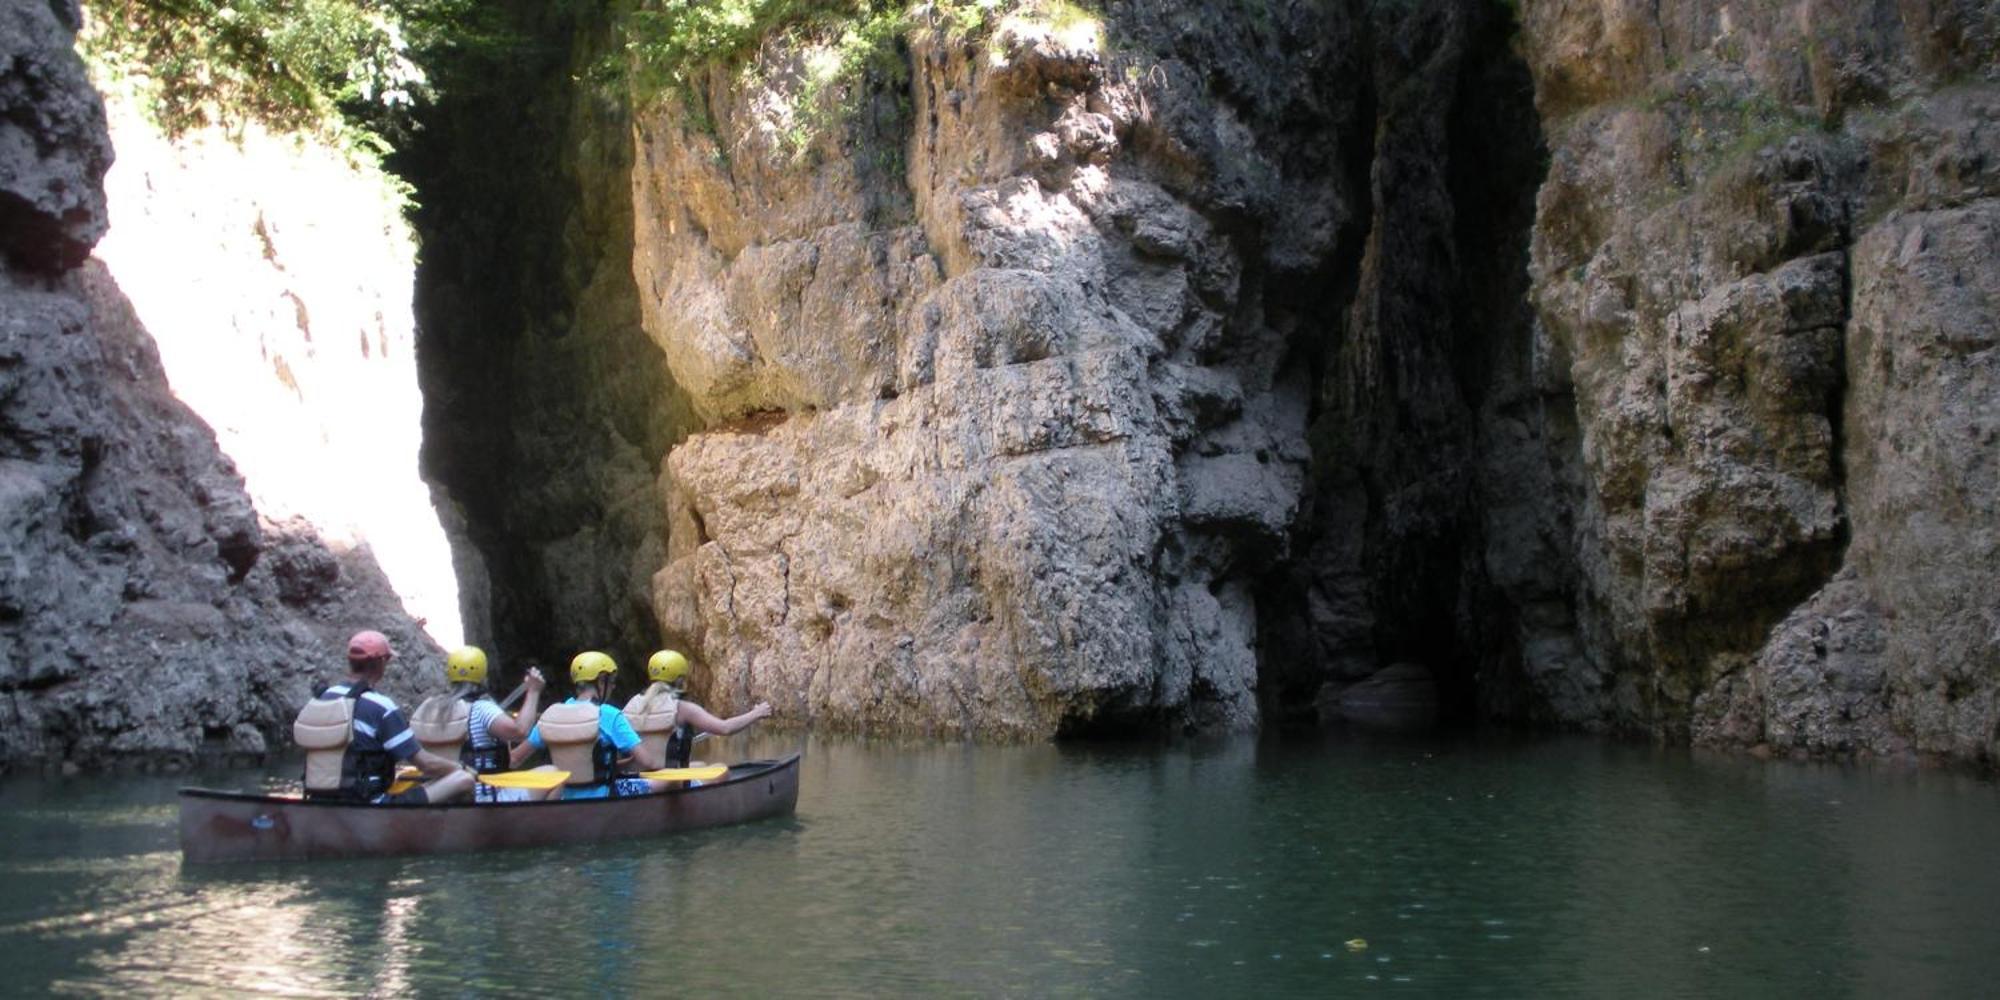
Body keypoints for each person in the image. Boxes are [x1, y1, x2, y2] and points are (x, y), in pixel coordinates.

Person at [293, 630, 474, 804]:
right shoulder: (381, 707)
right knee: (463, 780)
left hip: (316, 800)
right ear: (381, 662)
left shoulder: (322, 698)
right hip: (368, 802)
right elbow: (425, 764)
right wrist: (461, 768)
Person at [516, 651, 669, 799]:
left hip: (563, 796)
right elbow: (648, 762)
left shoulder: (551, 715)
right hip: (604, 795)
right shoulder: (609, 715)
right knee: (669, 781)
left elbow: (516, 758)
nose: (613, 687)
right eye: (612, 682)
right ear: (601, 681)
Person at [411, 646, 547, 803]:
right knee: (553, 773)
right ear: (482, 675)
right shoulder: (481, 709)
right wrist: (533, 692)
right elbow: (520, 731)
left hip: (440, 794)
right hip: (484, 796)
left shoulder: (429, 707)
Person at [624, 649, 772, 768]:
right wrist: (757, 713)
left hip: (639, 778)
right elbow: (725, 728)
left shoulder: (632, 705)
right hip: (668, 779)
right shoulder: (682, 709)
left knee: (699, 764)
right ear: (680, 679)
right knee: (720, 770)